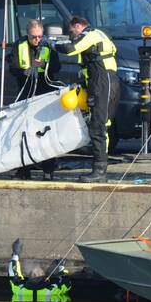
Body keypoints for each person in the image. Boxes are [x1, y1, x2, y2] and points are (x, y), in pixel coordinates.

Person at [57, 15, 118, 183]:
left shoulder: (90, 34)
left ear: (78, 26)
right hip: (101, 82)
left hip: (103, 81)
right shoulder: (98, 35)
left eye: (72, 31)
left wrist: (53, 44)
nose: (72, 35)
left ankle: (99, 170)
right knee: (100, 124)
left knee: (98, 126)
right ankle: (100, 168)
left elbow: (70, 48)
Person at [8, 19, 62, 180]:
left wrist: (45, 64)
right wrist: (25, 70)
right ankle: (23, 170)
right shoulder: (19, 45)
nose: (37, 40)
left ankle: (48, 169)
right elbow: (12, 67)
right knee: (23, 132)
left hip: (44, 92)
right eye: (34, 37)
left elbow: (57, 67)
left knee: (46, 132)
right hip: (26, 92)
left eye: (39, 36)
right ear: (27, 35)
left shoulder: (47, 45)